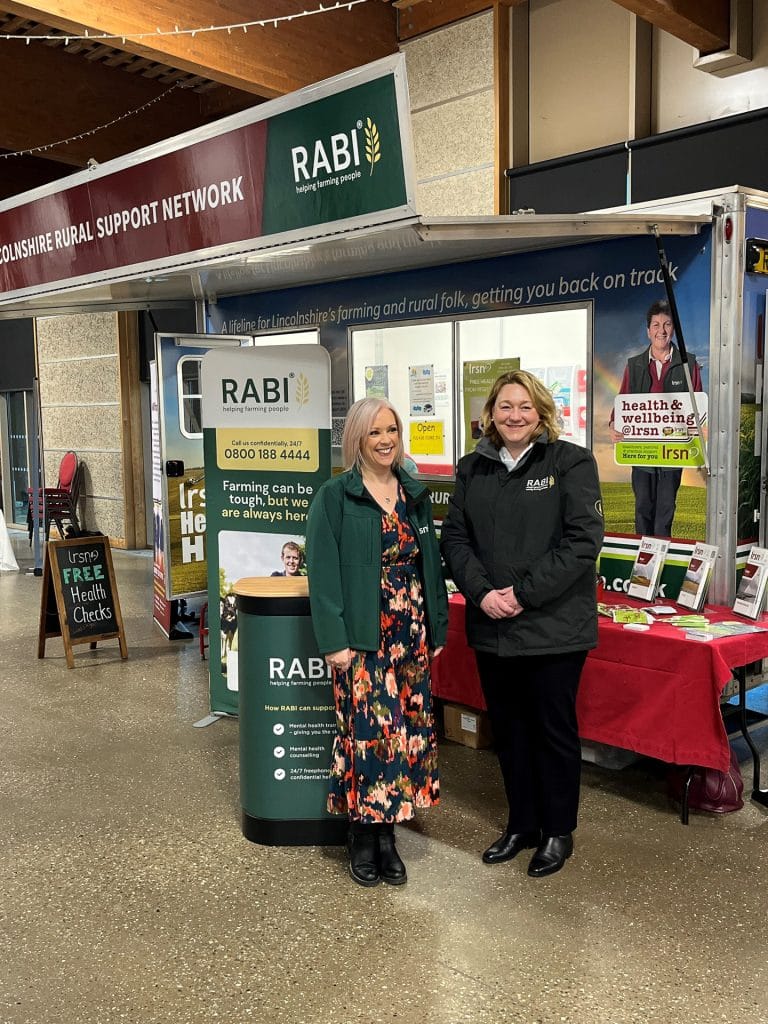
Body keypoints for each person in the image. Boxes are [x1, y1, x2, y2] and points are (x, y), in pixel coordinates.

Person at [441, 370, 603, 878]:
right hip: (493, 626)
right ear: (490, 413)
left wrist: (523, 593)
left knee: (551, 731)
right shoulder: (473, 468)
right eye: (505, 406)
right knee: (509, 730)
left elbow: (582, 541)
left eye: (525, 407)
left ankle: (558, 831)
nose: (515, 416)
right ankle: (522, 824)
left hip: (554, 626)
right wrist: (482, 593)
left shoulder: (570, 461)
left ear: (541, 412)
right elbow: (454, 540)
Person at [305, 397, 448, 888]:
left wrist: (438, 628)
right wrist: (334, 640)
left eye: (392, 430)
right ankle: (364, 835)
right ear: (358, 441)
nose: (386, 440)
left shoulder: (413, 493)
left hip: (411, 634)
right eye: (375, 433)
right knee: (368, 737)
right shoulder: (335, 496)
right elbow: (322, 574)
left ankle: (389, 837)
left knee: (406, 733)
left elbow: (431, 563)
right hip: (364, 638)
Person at [610, 299, 703, 537]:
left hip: (672, 451)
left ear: (673, 329)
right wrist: (613, 424)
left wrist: (700, 427)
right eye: (656, 325)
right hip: (642, 450)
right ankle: (642, 561)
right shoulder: (635, 365)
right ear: (648, 330)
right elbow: (622, 402)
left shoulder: (688, 363)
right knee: (642, 507)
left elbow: (697, 406)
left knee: (665, 510)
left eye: (667, 324)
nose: (661, 330)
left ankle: (659, 565)